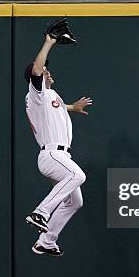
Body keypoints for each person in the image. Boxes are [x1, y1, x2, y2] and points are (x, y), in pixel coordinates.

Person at [24, 34, 93, 256]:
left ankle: (46, 241)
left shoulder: (51, 96)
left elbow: (58, 107)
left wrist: (74, 107)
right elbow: (36, 70)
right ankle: (40, 213)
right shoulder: (36, 93)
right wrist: (49, 42)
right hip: (51, 154)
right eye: (46, 70)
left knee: (75, 202)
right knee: (78, 176)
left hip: (61, 157)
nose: (48, 72)